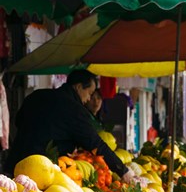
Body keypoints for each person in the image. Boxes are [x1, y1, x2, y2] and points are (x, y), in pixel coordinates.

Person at [4, 70, 134, 182]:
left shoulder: (37, 95)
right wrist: (123, 171)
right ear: (78, 87)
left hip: (13, 165)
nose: (89, 99)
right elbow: (96, 144)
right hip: (40, 173)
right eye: (89, 93)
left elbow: (17, 121)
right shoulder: (75, 110)